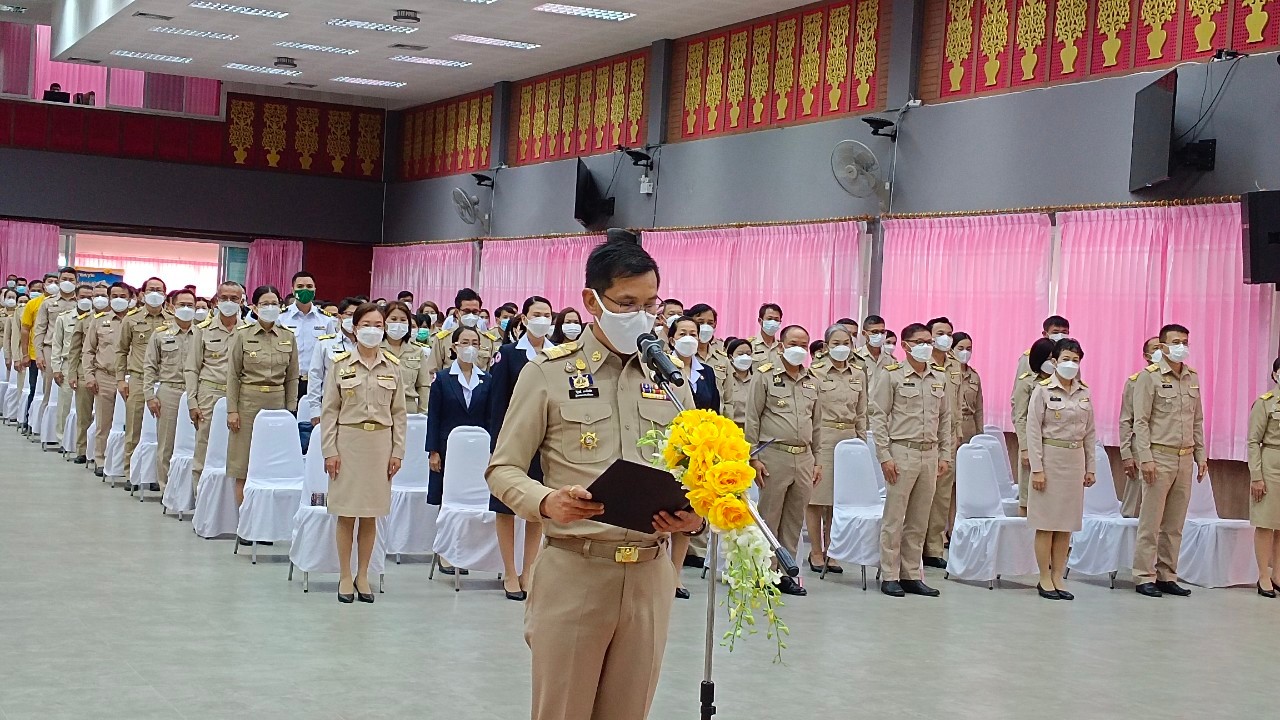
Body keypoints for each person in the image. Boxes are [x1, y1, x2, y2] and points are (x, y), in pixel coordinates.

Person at [486, 231, 701, 720]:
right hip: (576, 568)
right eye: (626, 303)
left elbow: (694, 475)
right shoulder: (547, 373)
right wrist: (545, 502)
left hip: (650, 573)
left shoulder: (668, 380)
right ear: (591, 301)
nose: (642, 317)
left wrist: (695, 518)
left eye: (651, 304)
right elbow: (503, 469)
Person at [321, 302, 406, 603]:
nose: (373, 330)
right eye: (367, 324)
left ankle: (363, 574)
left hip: (380, 444)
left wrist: (398, 451)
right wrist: (329, 450)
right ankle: (345, 574)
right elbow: (329, 411)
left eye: (378, 325)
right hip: (349, 442)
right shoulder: (340, 364)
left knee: (371, 515)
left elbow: (400, 414)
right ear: (354, 328)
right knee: (346, 513)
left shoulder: (393, 366)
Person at [869, 323, 953, 598]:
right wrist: (884, 456)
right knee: (895, 517)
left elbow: (945, 420)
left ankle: (911, 574)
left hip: (929, 453)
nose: (926, 346)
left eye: (929, 341)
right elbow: (878, 416)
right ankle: (890, 574)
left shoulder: (939, 377)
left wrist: (945, 455)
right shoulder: (892, 375)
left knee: (919, 519)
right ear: (905, 345)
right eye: (920, 341)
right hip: (901, 451)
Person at [487, 296, 556, 601]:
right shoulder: (509, 355)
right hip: (513, 442)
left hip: (546, 444)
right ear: (524, 319)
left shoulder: (559, 355)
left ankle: (529, 570)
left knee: (536, 507)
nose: (542, 319)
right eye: (536, 314)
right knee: (506, 507)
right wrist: (497, 446)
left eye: (547, 314)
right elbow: (497, 403)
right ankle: (509, 571)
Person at [1131, 324, 1205, 598]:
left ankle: (1167, 574)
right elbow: (1141, 422)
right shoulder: (1148, 378)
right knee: (1151, 521)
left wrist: (1201, 454)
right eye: (1175, 341)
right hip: (1159, 456)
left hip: (1184, 457)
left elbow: (1197, 419)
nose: (1181, 346)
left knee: (1174, 524)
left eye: (1185, 341)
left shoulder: (1191, 377)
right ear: (1162, 346)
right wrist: (1146, 459)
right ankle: (1143, 575)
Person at [746, 324, 820, 597]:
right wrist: (753, 457)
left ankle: (785, 574)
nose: (798, 349)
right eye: (793, 344)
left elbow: (818, 424)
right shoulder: (765, 376)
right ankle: (763, 573)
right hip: (773, 455)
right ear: (781, 346)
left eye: (803, 344)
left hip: (804, 457)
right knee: (769, 517)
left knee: (793, 520)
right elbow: (752, 419)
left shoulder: (812, 380)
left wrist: (818, 461)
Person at [1027, 338, 1095, 600]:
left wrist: (1090, 467)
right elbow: (1033, 432)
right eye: (1066, 359)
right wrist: (1037, 469)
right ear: (1054, 361)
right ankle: (1044, 577)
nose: (1071, 364)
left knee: (1065, 525)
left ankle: (1059, 577)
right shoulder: (1043, 390)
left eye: (1075, 360)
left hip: (1074, 461)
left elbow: (1090, 433)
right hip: (1049, 459)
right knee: (1046, 524)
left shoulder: (1084, 393)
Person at [226, 286, 299, 514]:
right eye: (265, 304)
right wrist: (232, 410)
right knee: (243, 464)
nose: (270, 308)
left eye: (275, 303)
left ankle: (267, 519)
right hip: (248, 402)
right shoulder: (242, 335)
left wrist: (290, 410)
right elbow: (233, 375)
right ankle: (245, 519)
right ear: (255, 308)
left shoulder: (288, 336)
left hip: (277, 405)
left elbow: (292, 377)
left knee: (271, 464)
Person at [427, 326, 493, 574]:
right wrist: (433, 450)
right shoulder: (443, 379)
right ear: (453, 347)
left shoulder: (487, 379)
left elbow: (490, 417)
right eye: (464, 342)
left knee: (473, 500)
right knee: (447, 499)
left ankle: (468, 551)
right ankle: (445, 553)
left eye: (475, 342)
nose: (470, 347)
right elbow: (434, 417)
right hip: (447, 450)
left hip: (477, 452)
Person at [665, 314, 721, 596]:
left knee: (688, 509)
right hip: (667, 447)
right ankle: (659, 572)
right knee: (663, 510)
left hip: (698, 451)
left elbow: (716, 412)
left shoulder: (707, 372)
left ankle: (675, 575)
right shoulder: (660, 368)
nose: (688, 337)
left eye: (693, 333)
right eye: (682, 332)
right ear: (671, 338)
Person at [807, 324, 868, 574]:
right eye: (836, 343)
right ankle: (816, 551)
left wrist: (861, 442)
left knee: (838, 500)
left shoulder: (859, 373)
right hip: (824, 435)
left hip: (849, 437)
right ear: (826, 346)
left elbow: (862, 411)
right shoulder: (816, 372)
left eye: (846, 342)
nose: (841, 347)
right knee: (816, 497)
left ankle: (834, 550)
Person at [186, 281, 245, 490]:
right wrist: (192, 401)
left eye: (234, 299)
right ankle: (199, 494)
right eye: (224, 298)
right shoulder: (201, 330)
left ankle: (229, 499)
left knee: (237, 446)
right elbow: (192, 367)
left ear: (242, 302)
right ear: (215, 301)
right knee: (204, 443)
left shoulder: (248, 330)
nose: (229, 303)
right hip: (209, 391)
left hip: (238, 395)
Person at [115, 277, 171, 485]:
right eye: (151, 290)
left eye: (159, 290)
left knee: (164, 433)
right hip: (138, 379)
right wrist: (121, 380)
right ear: (142, 294)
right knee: (134, 428)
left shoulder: (173, 320)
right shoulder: (131, 320)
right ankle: (132, 473)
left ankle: (159, 476)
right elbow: (120, 351)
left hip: (165, 380)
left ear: (165, 294)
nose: (155, 293)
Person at [142, 289, 197, 493]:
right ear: (172, 306)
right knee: (167, 442)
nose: (186, 309)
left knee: (195, 442)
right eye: (181, 304)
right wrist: (150, 395)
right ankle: (166, 487)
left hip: (195, 392)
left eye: (190, 305)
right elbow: (149, 366)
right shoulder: (161, 335)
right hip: (169, 390)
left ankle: (190, 489)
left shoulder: (202, 333)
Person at [922, 316, 962, 569]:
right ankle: (914, 548)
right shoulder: (921, 363)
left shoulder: (955, 365)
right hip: (921, 436)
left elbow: (954, 407)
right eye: (940, 333)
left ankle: (934, 547)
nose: (945, 337)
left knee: (942, 497)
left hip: (947, 439)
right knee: (919, 497)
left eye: (949, 333)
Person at [280, 271, 336, 449]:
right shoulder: (282, 318)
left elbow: (331, 352)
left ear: (315, 289)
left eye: (309, 287)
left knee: (315, 426)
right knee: (289, 425)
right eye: (300, 287)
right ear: (292, 289)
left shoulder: (325, 320)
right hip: (289, 381)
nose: (305, 290)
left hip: (316, 383)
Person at [83, 283, 133, 475]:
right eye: (115, 295)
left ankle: (127, 463)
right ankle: (101, 459)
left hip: (129, 377)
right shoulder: (99, 320)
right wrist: (89, 375)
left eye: (123, 295)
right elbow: (88, 351)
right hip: (104, 375)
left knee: (131, 422)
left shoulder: (136, 320)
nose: (119, 299)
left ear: (130, 298)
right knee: (104, 421)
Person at [65, 285, 109, 464]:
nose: (99, 299)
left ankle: (101, 453)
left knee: (104, 418)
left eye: (103, 296)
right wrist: (72, 374)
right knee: (84, 414)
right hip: (84, 372)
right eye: (96, 296)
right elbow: (75, 350)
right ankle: (82, 449)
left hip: (106, 372)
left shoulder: (119, 320)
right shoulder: (84, 320)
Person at [1119, 337, 1161, 518]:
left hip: (1165, 445)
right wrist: (1126, 454)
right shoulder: (1135, 382)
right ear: (1146, 355)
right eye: (1155, 348)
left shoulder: (1179, 381)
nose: (1160, 351)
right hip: (1140, 445)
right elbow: (1125, 420)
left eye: (1162, 346)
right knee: (1134, 498)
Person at [1248, 358, 1280, 597]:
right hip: (1271, 463)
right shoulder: (1265, 403)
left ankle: (1278, 574)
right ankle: (1263, 576)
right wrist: (1257, 476)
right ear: (1275, 374)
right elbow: (1253, 441)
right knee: (1266, 522)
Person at [1013, 338, 1056, 516]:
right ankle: (1025, 539)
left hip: (1054, 445)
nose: (1052, 362)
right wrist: (1024, 447)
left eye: (1055, 358)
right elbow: (1020, 417)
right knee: (1027, 495)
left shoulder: (1062, 383)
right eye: (1049, 358)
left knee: (1051, 497)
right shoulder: (1027, 382)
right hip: (1031, 444)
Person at [306, 298, 361, 430]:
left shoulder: (368, 345)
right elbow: (315, 376)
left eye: (358, 315)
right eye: (350, 314)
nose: (353, 319)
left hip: (359, 407)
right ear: (340, 316)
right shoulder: (325, 343)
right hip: (330, 405)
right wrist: (315, 410)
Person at [49, 284, 93, 450]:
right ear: (76, 297)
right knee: (65, 404)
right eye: (83, 297)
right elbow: (56, 345)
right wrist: (56, 368)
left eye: (90, 297)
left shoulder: (97, 319)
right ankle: (62, 440)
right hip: (68, 364)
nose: (87, 300)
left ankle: (84, 443)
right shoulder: (64, 318)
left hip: (89, 366)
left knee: (85, 409)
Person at [35, 267, 80, 424]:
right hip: (50, 349)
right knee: (48, 389)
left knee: (71, 392)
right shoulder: (48, 303)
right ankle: (45, 428)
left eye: (71, 280)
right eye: (64, 279)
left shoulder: (81, 303)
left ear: (77, 282)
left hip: (72, 351)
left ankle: (67, 430)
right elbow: (39, 329)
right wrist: (39, 354)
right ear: (59, 281)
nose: (67, 282)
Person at [428, 288, 502, 374]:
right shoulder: (442, 339)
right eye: (466, 311)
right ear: (457, 312)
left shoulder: (488, 340)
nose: (471, 315)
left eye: (475, 312)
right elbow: (432, 371)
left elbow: (492, 373)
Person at [381, 302, 432, 414]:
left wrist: (423, 412)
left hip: (408, 408)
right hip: (380, 406)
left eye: (403, 320)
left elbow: (423, 385)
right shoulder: (375, 348)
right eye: (393, 319)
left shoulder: (417, 351)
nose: (398, 323)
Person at [1015, 315, 1071, 382]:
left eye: (1064, 332)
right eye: (1055, 332)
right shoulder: (1029, 356)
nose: (1060, 335)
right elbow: (1021, 384)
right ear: (1045, 334)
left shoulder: (1071, 356)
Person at [953, 332, 985, 444]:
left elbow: (979, 409)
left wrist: (980, 434)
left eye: (968, 349)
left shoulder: (974, 375)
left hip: (969, 428)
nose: (965, 352)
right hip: (952, 428)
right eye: (960, 348)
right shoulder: (945, 373)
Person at [721, 338, 755, 426]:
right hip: (731, 427)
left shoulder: (757, 379)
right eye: (740, 354)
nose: (745, 357)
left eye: (748, 354)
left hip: (752, 428)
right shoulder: (724, 378)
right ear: (730, 357)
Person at [750, 303, 784, 368]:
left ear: (780, 323)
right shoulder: (750, 345)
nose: (773, 322)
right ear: (760, 321)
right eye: (769, 319)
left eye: (776, 320)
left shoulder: (782, 347)